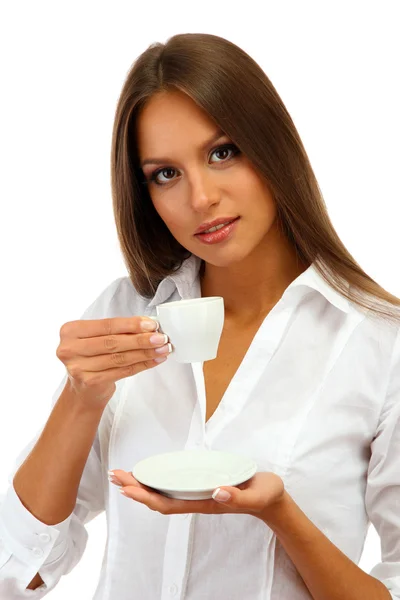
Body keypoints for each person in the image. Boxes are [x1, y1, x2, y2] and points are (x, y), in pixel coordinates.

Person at [0, 32, 399, 600]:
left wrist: (281, 514)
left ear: (273, 148)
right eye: (165, 173)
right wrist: (80, 396)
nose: (200, 198)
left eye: (222, 152)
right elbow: (19, 571)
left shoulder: (382, 345)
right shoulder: (125, 313)